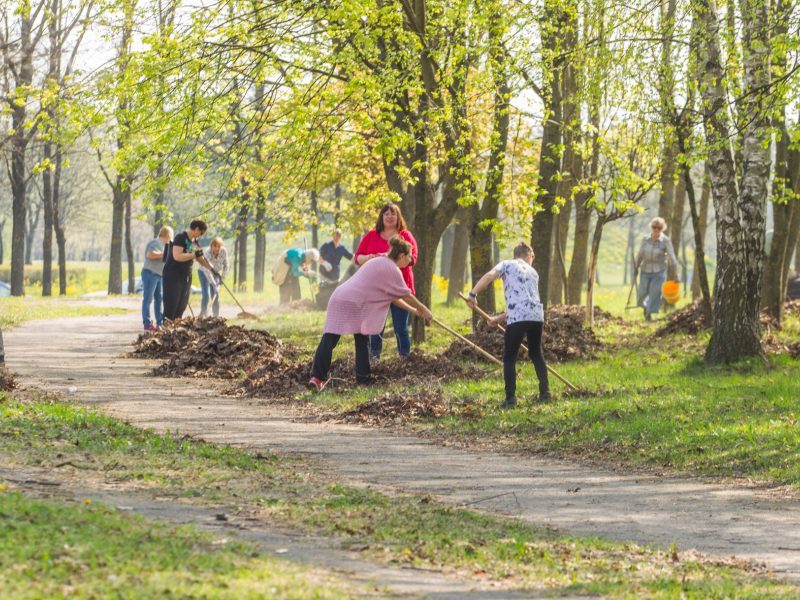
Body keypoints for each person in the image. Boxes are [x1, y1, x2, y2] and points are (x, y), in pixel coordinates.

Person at [308, 236, 432, 391]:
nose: (410, 261)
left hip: (340, 297)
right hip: (354, 302)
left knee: (331, 338)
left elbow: (393, 296)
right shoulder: (392, 269)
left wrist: (414, 310)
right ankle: (363, 380)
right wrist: (424, 309)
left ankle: (317, 377)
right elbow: (405, 294)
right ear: (401, 256)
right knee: (362, 338)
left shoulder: (380, 261)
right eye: (409, 257)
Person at [467, 242, 549, 409]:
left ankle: (510, 399)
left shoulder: (506, 264)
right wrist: (499, 318)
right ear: (529, 256)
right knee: (536, 353)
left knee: (510, 357)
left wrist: (473, 293)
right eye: (533, 257)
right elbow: (526, 302)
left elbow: (489, 276)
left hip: (518, 317)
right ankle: (545, 393)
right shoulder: (533, 272)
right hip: (536, 317)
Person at [353, 203, 418, 361]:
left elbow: (413, 259)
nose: (389, 217)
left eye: (393, 214)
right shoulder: (371, 236)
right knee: (376, 327)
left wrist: (392, 259)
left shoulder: (405, 236)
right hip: (377, 289)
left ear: (398, 217)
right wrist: (369, 258)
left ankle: (404, 359)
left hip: (399, 287)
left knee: (400, 327)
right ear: (381, 217)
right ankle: (374, 358)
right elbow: (357, 258)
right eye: (386, 214)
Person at [162, 219, 211, 321]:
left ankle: (176, 328)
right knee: (172, 305)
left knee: (182, 305)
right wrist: (194, 254)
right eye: (201, 233)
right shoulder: (180, 238)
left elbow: (200, 258)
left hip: (185, 276)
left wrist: (212, 269)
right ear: (196, 229)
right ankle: (166, 329)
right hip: (173, 276)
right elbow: (177, 256)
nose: (200, 235)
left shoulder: (194, 242)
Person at [634, 216, 679, 321]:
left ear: (662, 229)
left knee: (654, 293)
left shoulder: (665, 241)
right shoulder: (645, 239)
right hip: (645, 270)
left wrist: (676, 272)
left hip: (659, 271)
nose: (656, 230)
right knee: (641, 294)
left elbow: (672, 256)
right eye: (654, 227)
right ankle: (645, 307)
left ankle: (649, 314)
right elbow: (640, 254)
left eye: (659, 228)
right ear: (651, 227)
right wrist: (636, 266)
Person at [141, 226, 173, 331]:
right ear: (168, 235)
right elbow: (150, 255)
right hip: (150, 273)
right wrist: (164, 254)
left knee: (159, 299)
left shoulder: (164, 246)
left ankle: (160, 322)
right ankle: (147, 322)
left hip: (159, 275)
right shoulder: (156, 243)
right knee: (148, 299)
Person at [198, 237, 228, 317]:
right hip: (203, 272)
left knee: (215, 294)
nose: (217, 248)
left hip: (215, 273)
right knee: (206, 294)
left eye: (219, 246)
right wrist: (214, 284)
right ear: (211, 246)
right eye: (215, 246)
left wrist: (223, 276)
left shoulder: (223, 251)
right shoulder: (207, 253)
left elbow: (226, 265)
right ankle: (203, 313)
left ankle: (216, 315)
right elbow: (207, 270)